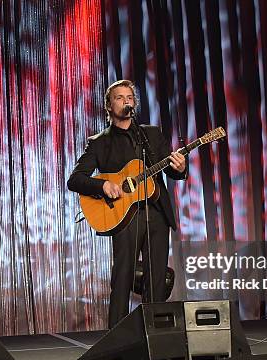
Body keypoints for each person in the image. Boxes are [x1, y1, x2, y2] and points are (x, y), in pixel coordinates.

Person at [67, 79, 187, 328]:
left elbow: (171, 170)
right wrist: (103, 186)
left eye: (130, 97)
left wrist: (181, 168)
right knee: (122, 278)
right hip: (123, 216)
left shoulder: (151, 134)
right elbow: (75, 179)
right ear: (108, 106)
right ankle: (115, 339)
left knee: (156, 280)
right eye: (120, 97)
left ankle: (154, 336)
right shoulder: (99, 142)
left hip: (156, 214)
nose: (126, 101)